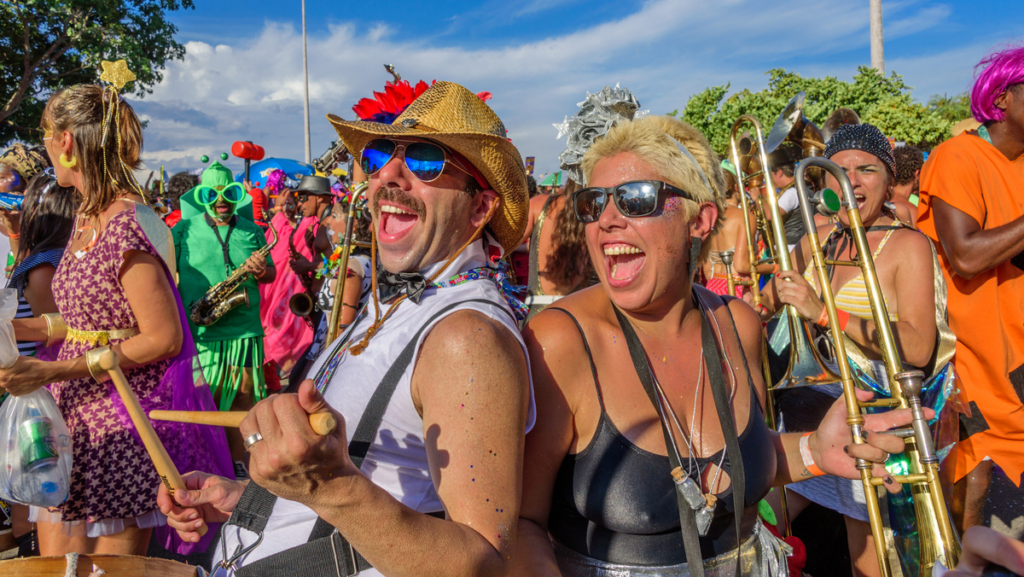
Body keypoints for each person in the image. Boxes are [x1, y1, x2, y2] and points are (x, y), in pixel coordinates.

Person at [512, 114, 919, 577]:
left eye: (636, 199)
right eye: (593, 202)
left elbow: (737, 462)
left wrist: (813, 452)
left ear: (699, 221)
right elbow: (522, 523)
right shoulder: (560, 341)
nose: (607, 220)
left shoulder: (738, 325)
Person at [159, 81, 534, 577]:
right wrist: (250, 500)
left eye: (425, 161)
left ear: (480, 208)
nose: (390, 176)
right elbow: (378, 472)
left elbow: (482, 563)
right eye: (380, 156)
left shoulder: (467, 337)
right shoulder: (404, 301)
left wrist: (328, 486)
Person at [0, 81, 231, 556]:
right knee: (54, 567)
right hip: (70, 422)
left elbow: (162, 336)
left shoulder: (129, 221)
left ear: (66, 142)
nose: (45, 145)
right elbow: (94, 321)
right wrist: (19, 328)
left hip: (120, 427)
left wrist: (55, 369)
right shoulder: (86, 216)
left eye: (45, 134)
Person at [756, 123, 953, 577]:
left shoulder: (907, 244)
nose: (851, 182)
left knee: (875, 551)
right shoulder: (818, 241)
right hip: (813, 410)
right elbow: (775, 310)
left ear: (887, 181)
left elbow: (919, 348)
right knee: (764, 515)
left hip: (876, 413)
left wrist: (825, 313)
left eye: (866, 170)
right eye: (838, 171)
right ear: (822, 184)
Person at [917, 46, 1024, 535]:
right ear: (1002, 98)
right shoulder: (957, 156)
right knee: (991, 523)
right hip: (984, 367)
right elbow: (966, 255)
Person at [172, 160, 276, 472]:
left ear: (236, 195)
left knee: (244, 401)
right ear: (201, 197)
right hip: (202, 333)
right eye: (212, 195)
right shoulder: (182, 231)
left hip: (243, 331)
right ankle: (208, 466)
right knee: (206, 401)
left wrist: (262, 270)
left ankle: (241, 467)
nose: (220, 201)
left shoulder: (252, 230)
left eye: (228, 194)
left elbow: (269, 274)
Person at [520, 86, 640, 320]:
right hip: (583, 320)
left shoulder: (540, 206)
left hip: (536, 318)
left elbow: (499, 247)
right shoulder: (606, 217)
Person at [259, 185, 315, 376]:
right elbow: (271, 250)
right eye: (286, 204)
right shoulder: (279, 226)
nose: (290, 207)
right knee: (275, 322)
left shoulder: (306, 225)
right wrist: (277, 210)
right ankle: (272, 367)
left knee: (294, 324)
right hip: (278, 284)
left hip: (298, 284)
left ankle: (286, 363)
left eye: (294, 203)